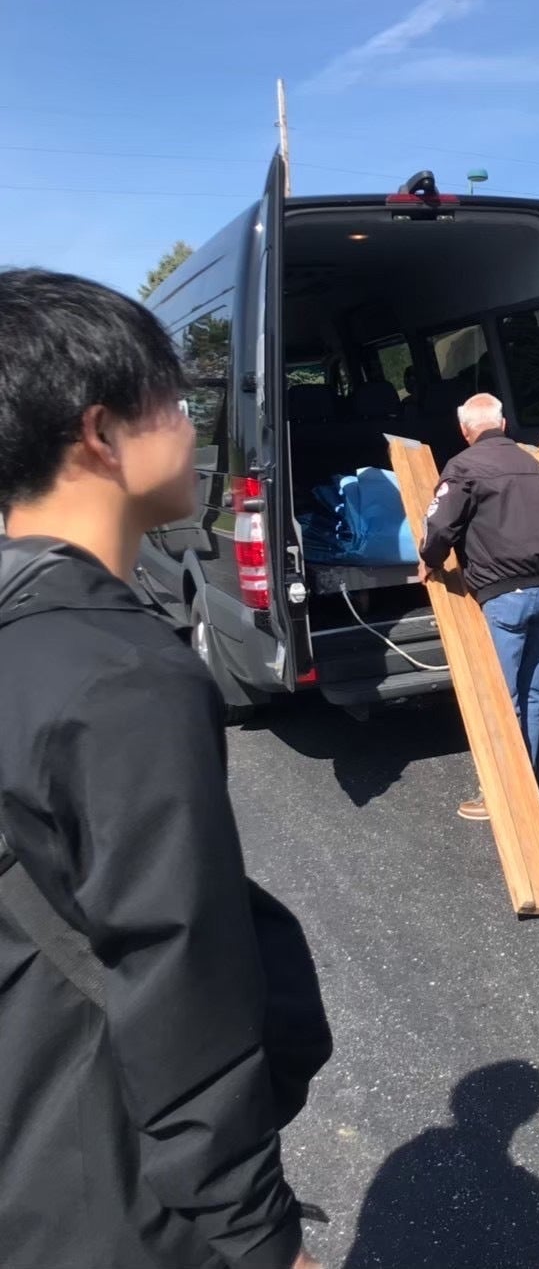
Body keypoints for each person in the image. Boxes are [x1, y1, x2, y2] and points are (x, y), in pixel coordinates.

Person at [0, 269, 327, 1269]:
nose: (194, 431)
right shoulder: (125, 676)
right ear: (101, 434)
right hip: (112, 1193)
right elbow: (178, 974)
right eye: (178, 405)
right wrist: (256, 1231)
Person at [419, 392, 539, 821]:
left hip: (506, 596)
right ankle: (527, 776)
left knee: (503, 697)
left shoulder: (464, 467)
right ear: (503, 425)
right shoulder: (537, 465)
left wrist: (430, 561)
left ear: (465, 431)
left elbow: (440, 525)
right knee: (533, 691)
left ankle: (503, 791)